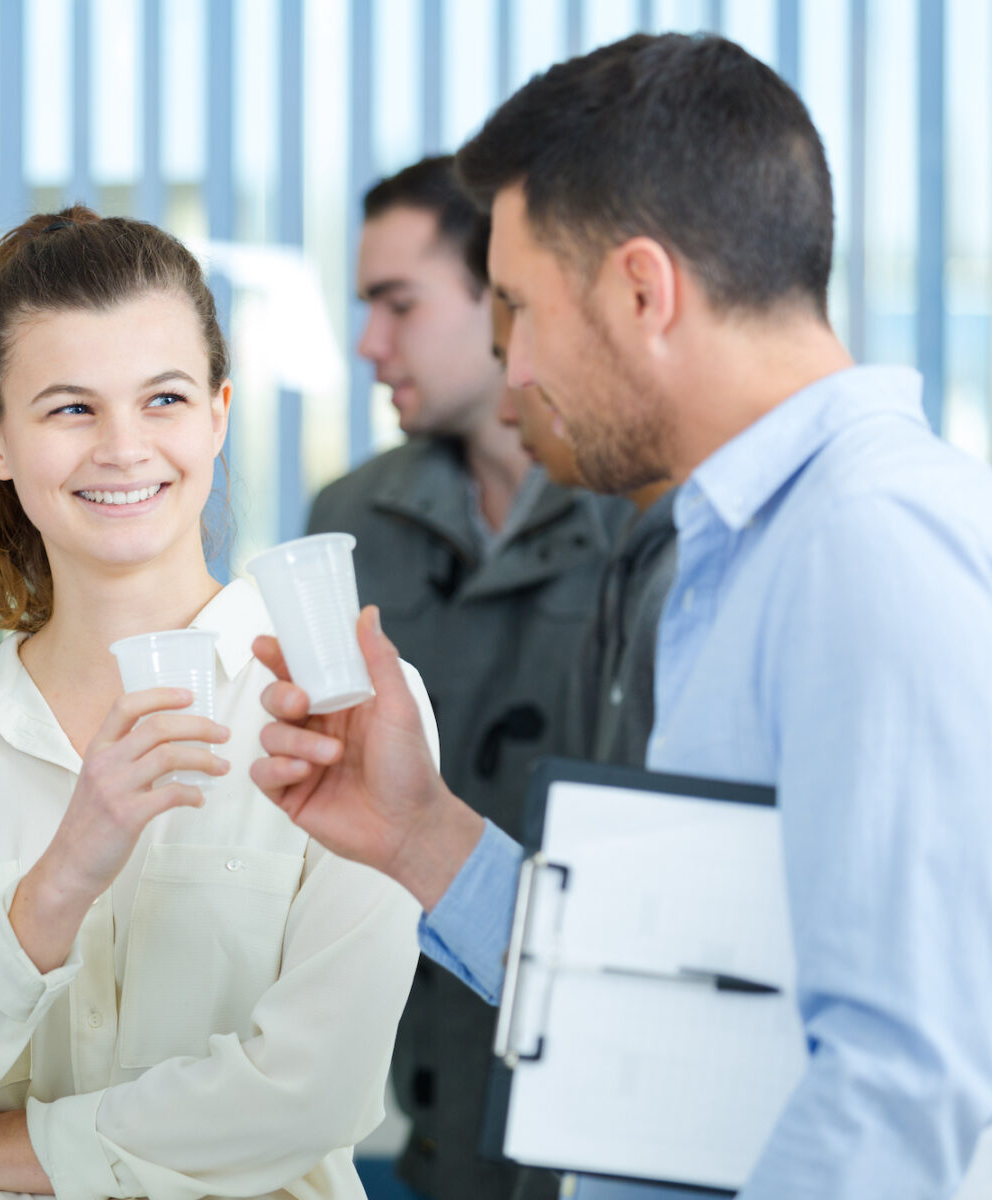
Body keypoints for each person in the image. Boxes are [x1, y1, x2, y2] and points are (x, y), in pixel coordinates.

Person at [250, 32, 992, 1200]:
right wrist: (416, 829)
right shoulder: (742, 547)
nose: (511, 367)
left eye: (520, 309)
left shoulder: (873, 552)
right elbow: (689, 988)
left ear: (642, 290)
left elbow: (895, 1096)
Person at [0, 207, 430, 1200]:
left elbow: (310, 1095)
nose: (122, 449)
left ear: (218, 415)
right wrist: (60, 879)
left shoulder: (350, 713)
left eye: (163, 399)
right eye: (69, 409)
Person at [308, 155, 613, 1200]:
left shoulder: (643, 526)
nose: (368, 344)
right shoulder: (348, 523)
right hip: (415, 1100)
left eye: (399, 304)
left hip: (600, 1080)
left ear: (505, 298)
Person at [464, 216, 677, 767]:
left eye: (532, 331)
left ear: (641, 300)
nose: (509, 408)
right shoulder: (641, 554)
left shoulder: (702, 571)